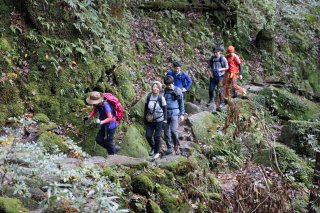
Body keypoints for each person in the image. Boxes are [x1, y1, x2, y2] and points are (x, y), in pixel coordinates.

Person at [144, 81, 167, 159]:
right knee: (148, 136)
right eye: (154, 87)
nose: (155, 88)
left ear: (159, 89)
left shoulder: (161, 98)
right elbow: (146, 107)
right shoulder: (149, 96)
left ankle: (156, 152)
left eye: (157, 87)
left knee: (157, 136)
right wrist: (145, 118)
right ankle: (153, 147)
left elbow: (165, 109)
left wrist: (165, 120)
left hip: (159, 120)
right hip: (150, 120)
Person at [163, 75, 185, 155]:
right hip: (165, 113)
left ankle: (176, 145)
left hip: (175, 113)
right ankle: (169, 147)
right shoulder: (165, 90)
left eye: (170, 85)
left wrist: (182, 114)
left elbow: (181, 102)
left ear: (172, 83)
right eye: (167, 85)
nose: (168, 86)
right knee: (166, 132)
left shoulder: (177, 90)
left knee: (173, 130)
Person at [206, 46, 229, 112]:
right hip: (213, 77)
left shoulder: (223, 58)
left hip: (220, 76)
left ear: (219, 52)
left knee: (220, 90)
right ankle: (211, 100)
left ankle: (222, 102)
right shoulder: (212, 58)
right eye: (214, 52)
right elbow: (208, 66)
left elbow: (227, 67)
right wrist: (209, 73)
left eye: (216, 52)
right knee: (211, 89)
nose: (215, 54)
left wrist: (219, 69)